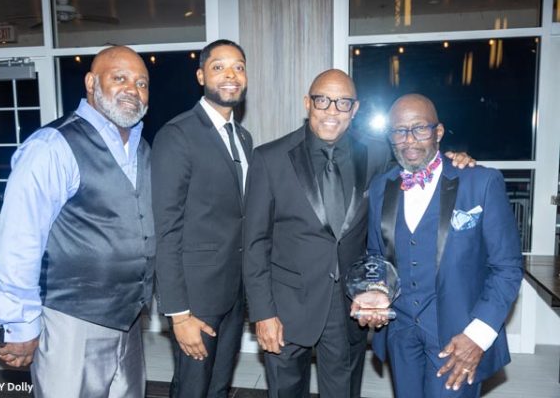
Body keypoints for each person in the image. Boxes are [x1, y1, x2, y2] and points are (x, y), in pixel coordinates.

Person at [243, 70, 474, 397]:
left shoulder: (376, 155)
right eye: (323, 101)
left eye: (342, 103)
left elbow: (419, 164)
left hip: (348, 309)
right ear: (308, 103)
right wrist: (263, 313)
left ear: (355, 109)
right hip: (286, 307)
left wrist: (452, 159)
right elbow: (254, 243)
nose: (332, 111)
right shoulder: (270, 158)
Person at [0, 46, 154, 397]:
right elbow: (19, 239)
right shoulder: (52, 145)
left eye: (141, 83)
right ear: (91, 83)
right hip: (71, 321)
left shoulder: (142, 148)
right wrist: (20, 323)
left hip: (128, 319)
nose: (132, 89)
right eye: (120, 78)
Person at [354, 93, 523, 398]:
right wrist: (376, 291)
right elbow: (377, 257)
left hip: (459, 335)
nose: (409, 140)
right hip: (401, 334)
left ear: (438, 132)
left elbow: (507, 269)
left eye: (419, 128)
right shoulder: (381, 187)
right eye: (399, 131)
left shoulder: (480, 182)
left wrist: (478, 336)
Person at [151, 39, 252, 398]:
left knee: (218, 387)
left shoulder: (243, 137)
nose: (230, 75)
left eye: (238, 67)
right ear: (200, 76)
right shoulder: (177, 135)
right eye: (218, 67)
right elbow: (166, 229)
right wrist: (179, 314)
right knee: (192, 389)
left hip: (234, 293)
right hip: (196, 300)